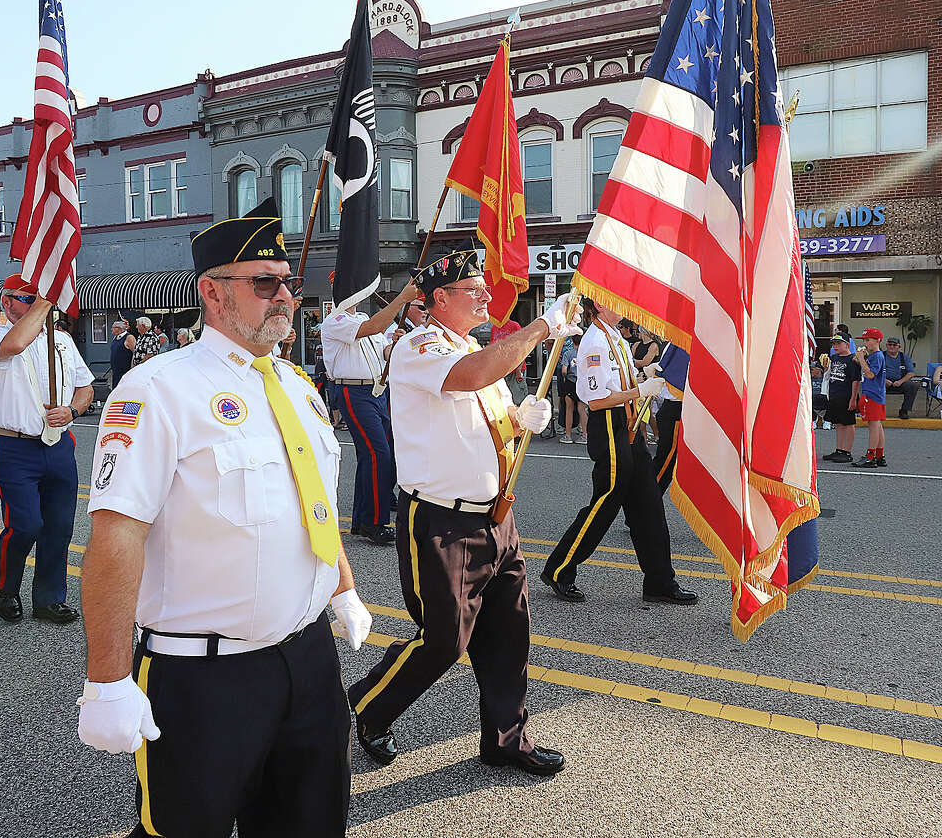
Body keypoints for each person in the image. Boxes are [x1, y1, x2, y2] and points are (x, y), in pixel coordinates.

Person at [77, 197, 370, 838]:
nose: (285, 296)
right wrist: (108, 678)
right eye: (263, 283)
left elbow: (311, 503)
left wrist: (343, 588)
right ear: (213, 293)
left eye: (286, 282)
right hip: (205, 678)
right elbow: (116, 535)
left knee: (312, 823)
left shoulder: (297, 386)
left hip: (308, 659)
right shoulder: (158, 389)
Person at [347, 250, 581, 777]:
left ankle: (505, 739)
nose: (484, 296)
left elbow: (488, 420)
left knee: (508, 632)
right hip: (441, 522)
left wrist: (522, 420)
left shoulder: (476, 349)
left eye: (482, 288)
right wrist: (544, 326)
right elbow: (471, 376)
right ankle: (366, 705)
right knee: (445, 638)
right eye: (472, 289)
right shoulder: (417, 347)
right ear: (438, 301)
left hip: (496, 517)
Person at [541, 297, 697, 606]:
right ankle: (559, 569)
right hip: (609, 428)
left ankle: (659, 582)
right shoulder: (595, 341)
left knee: (649, 505)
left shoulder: (615, 337)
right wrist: (640, 391)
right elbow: (597, 401)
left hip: (628, 427)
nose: (625, 308)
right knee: (604, 504)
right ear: (598, 305)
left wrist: (643, 376)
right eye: (617, 302)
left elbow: (619, 383)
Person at [0, 274, 94, 626]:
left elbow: (85, 387)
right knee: (25, 524)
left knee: (59, 528)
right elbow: (13, 347)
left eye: (38, 301)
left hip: (57, 444)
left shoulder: (62, 341)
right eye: (27, 300)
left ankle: (49, 599)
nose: (37, 307)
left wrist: (72, 410)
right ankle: (6, 583)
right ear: (7, 302)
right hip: (14, 445)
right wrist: (46, 298)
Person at [321, 278, 420, 545]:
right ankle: (374, 522)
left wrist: (395, 345)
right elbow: (373, 327)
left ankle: (361, 520)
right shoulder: (336, 320)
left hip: (377, 390)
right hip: (353, 392)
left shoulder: (365, 318)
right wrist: (401, 298)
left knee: (375, 454)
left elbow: (383, 353)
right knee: (378, 454)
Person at [821, 332, 861, 462]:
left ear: (847, 344)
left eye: (838, 343)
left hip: (846, 395)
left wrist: (853, 398)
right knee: (838, 423)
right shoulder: (834, 358)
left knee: (848, 423)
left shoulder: (853, 359)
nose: (835, 346)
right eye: (834, 344)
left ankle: (847, 451)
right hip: (835, 395)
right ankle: (839, 449)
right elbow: (828, 375)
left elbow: (855, 380)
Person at [854, 326, 887, 468]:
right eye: (864, 340)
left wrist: (861, 359)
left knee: (873, 425)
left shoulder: (877, 356)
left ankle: (870, 455)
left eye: (868, 340)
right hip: (876, 394)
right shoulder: (874, 356)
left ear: (877, 340)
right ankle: (880, 455)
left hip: (873, 394)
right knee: (877, 425)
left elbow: (870, 374)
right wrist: (859, 359)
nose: (865, 343)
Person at [558, 335, 587, 444]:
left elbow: (564, 370)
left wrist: (565, 377)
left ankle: (568, 435)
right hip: (582, 382)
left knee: (569, 409)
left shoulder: (568, 353)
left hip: (571, 382)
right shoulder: (586, 354)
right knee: (582, 409)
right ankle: (585, 435)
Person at [883, 336, 918, 420]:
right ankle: (877, 411)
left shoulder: (904, 357)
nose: (892, 347)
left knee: (912, 386)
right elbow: (874, 372)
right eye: (889, 344)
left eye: (894, 345)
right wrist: (883, 380)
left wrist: (900, 382)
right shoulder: (881, 356)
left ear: (899, 347)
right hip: (883, 382)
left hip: (899, 383)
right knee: (873, 385)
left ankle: (904, 410)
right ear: (886, 345)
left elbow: (911, 373)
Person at [109, 319, 133, 388]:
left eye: (113, 327)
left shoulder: (129, 338)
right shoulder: (115, 337)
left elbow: (135, 353)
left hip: (125, 371)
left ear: (119, 328)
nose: (111, 329)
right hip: (116, 371)